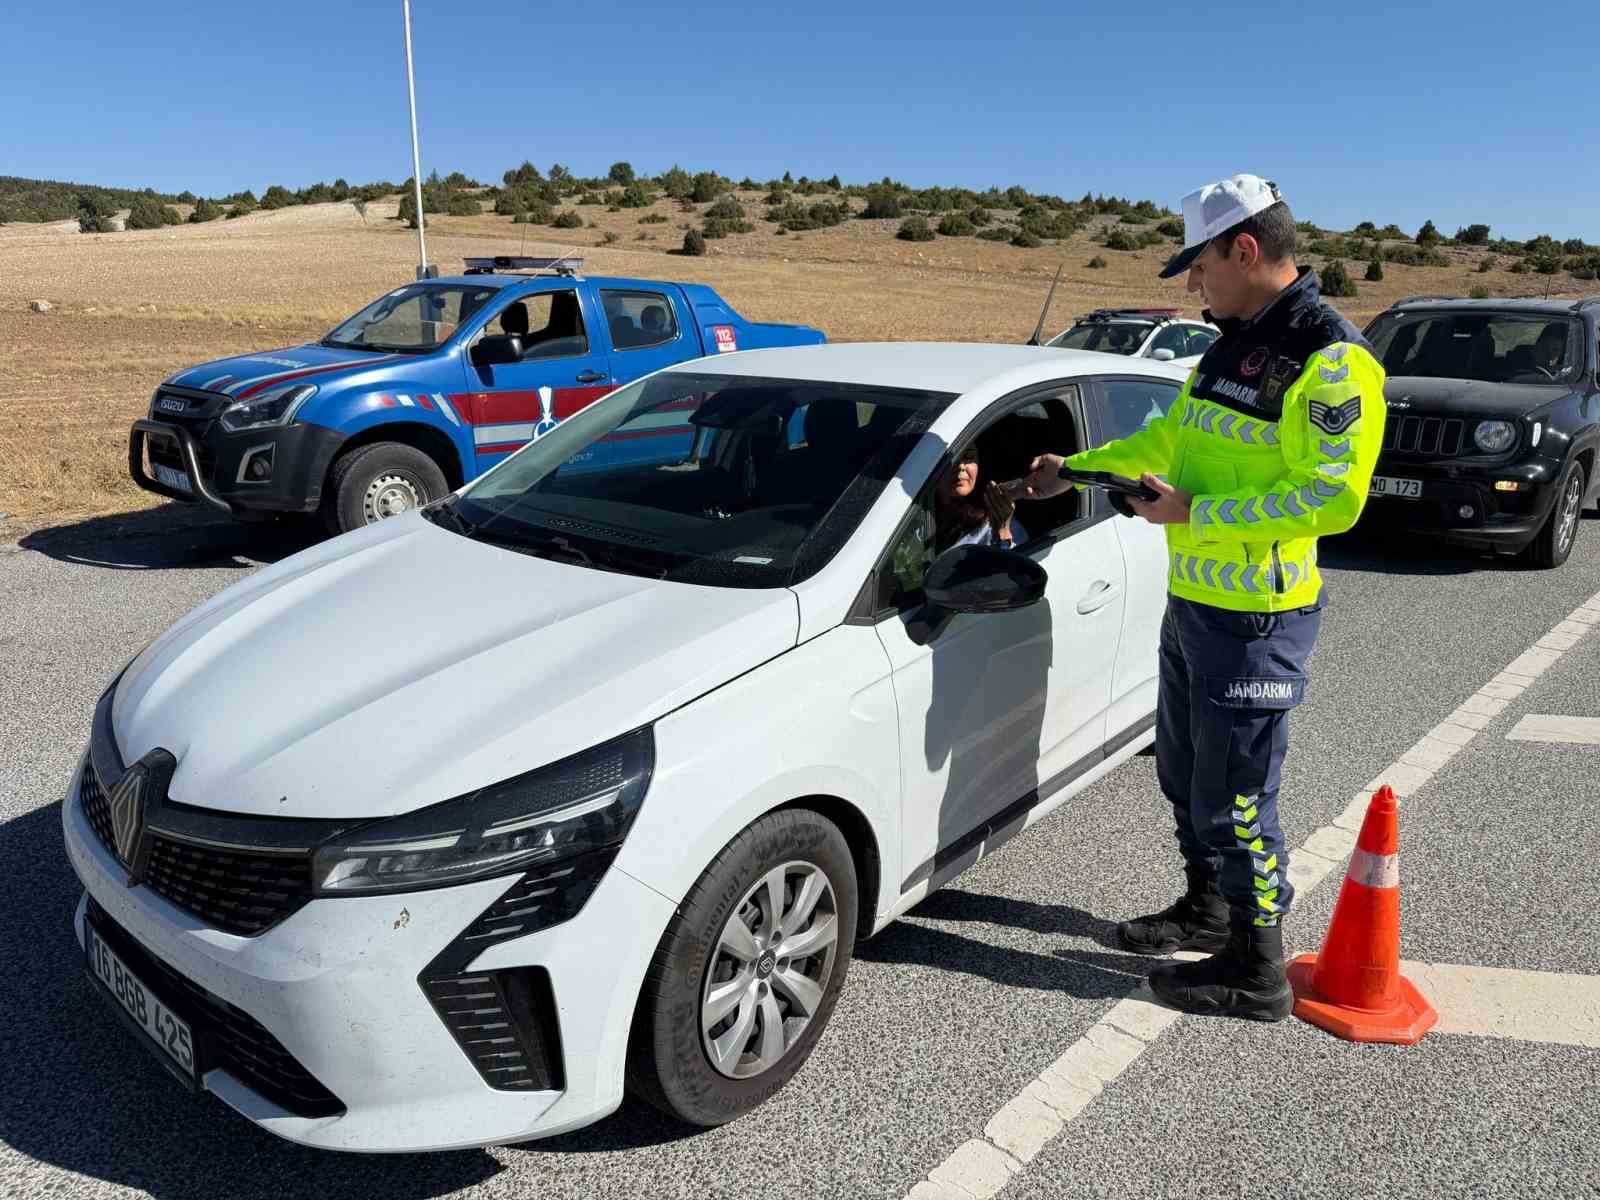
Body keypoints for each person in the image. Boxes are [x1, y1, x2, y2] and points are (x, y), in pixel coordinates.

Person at [1010, 174, 1387, 1021]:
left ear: (1244, 251)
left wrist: (1198, 515)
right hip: (1195, 605)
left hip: (1257, 619)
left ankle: (1256, 971)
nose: (1193, 284)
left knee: (1240, 796)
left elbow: (1333, 496)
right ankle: (1207, 908)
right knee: (1185, 776)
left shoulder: (1332, 362)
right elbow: (1167, 441)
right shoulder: (1229, 343)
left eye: (1199, 265)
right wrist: (1070, 469)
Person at [935, 445, 1026, 552]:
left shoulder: (1000, 525)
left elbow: (1011, 565)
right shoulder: (921, 506)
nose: (960, 466)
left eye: (969, 457)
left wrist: (1002, 532)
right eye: (950, 459)